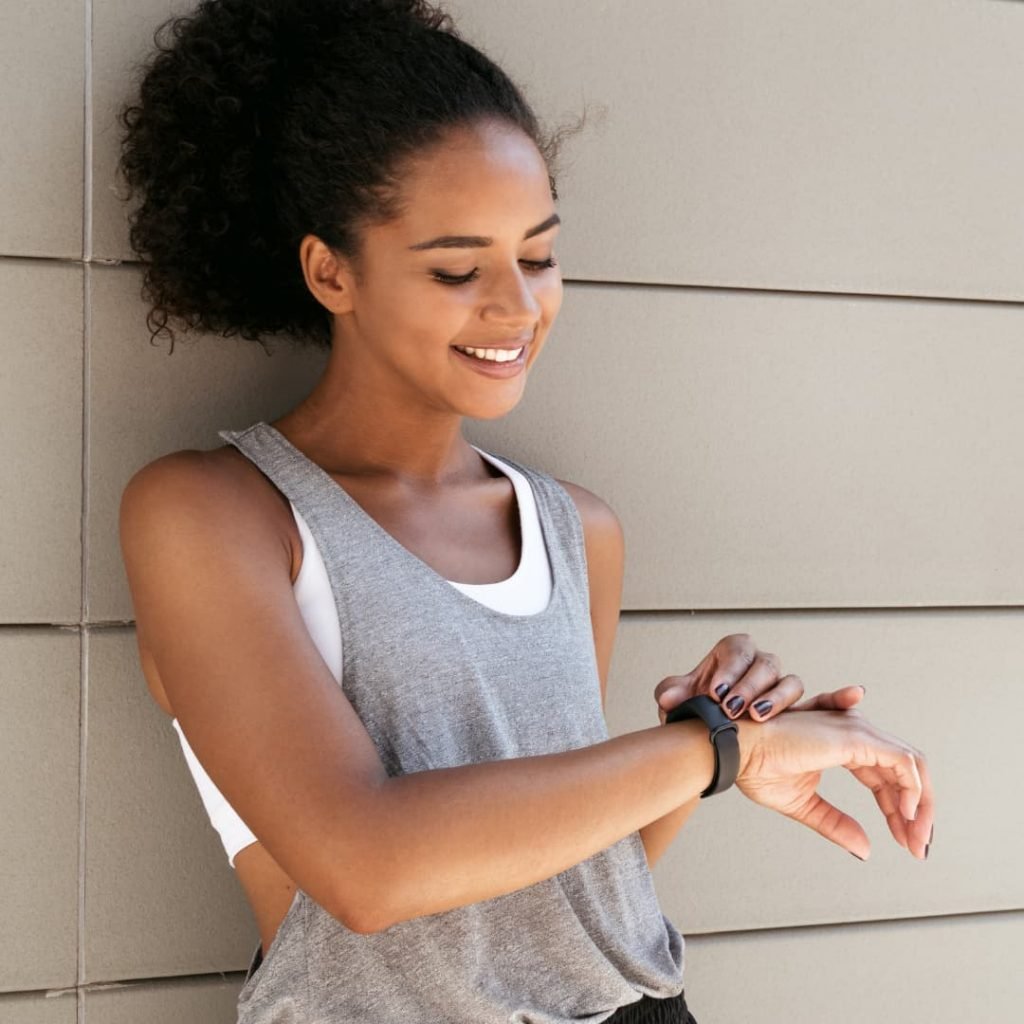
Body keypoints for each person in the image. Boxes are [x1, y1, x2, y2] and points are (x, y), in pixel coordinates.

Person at [114, 2, 935, 1022]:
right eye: (458, 269)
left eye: (538, 256)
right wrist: (714, 749)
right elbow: (366, 867)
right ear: (332, 271)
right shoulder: (213, 514)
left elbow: (563, 891)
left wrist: (710, 739)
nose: (516, 307)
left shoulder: (574, 529)